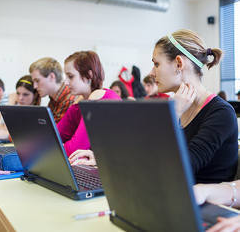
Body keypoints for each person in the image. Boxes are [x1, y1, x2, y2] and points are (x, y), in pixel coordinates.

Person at [70, 30, 239, 184]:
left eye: (156, 64)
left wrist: (172, 116)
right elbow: (145, 154)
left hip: (202, 209)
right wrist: (104, 160)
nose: (151, 72)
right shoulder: (178, 106)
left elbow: (178, 169)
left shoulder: (221, 113)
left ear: (179, 64)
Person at [57, 51, 121, 161]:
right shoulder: (81, 101)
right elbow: (53, 138)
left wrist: (53, 149)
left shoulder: (101, 99)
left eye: (70, 76)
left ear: (89, 75)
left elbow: (74, 150)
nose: (66, 83)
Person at [0, 75, 41, 140]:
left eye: (25, 94)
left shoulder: (39, 115)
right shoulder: (16, 107)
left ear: (35, 95)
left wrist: (7, 135)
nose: (20, 98)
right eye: (18, 93)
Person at [29, 57, 75, 123]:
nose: (35, 86)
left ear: (51, 77)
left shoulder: (69, 100)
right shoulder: (53, 99)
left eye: (37, 80)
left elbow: (54, 132)